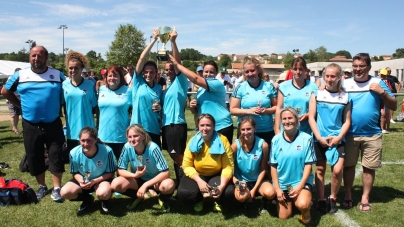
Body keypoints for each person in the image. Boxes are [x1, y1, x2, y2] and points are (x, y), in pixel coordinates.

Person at [1, 46, 65, 201]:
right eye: (33, 55)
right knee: (34, 155)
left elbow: (68, 90)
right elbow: (5, 91)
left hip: (53, 123)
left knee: (56, 154)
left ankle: (57, 188)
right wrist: (19, 106)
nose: (36, 58)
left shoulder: (57, 74)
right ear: (30, 57)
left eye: (40, 56)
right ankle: (42, 186)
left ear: (46, 57)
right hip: (31, 125)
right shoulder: (20, 75)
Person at [342, 53, 396, 212]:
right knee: (349, 166)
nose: (358, 69)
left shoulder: (377, 82)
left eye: (361, 66)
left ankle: (365, 198)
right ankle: (348, 195)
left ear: (369, 67)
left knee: (368, 167)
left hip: (372, 134)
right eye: (355, 66)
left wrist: (382, 92)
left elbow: (393, 106)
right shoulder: (345, 84)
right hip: (349, 133)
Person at [308, 63, 352, 214]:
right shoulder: (316, 93)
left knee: (337, 170)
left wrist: (339, 137)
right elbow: (311, 118)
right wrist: (319, 137)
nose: (329, 79)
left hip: (338, 140)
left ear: (339, 77)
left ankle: (332, 198)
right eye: (327, 76)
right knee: (320, 169)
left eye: (333, 76)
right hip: (320, 139)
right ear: (323, 76)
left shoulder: (346, 96)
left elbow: (347, 121)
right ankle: (321, 199)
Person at [168, 57, 234, 144]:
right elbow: (196, 112)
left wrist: (177, 64)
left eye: (211, 72)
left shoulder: (217, 83)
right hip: (207, 128)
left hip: (222, 126)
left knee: (224, 156)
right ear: (203, 72)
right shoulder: (200, 90)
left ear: (216, 73)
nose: (208, 74)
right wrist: (192, 106)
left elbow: (195, 79)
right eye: (206, 71)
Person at [110, 124, 175, 212]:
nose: (132, 139)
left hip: (155, 181)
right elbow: (120, 170)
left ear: (143, 136)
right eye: (130, 137)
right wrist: (134, 175)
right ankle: (137, 196)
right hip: (138, 180)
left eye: (136, 136)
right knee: (115, 184)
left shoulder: (153, 148)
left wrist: (146, 185)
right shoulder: (127, 147)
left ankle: (162, 198)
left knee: (169, 184)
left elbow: (166, 172)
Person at [177, 114, 234, 212]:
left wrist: (222, 186)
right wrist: (199, 181)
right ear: (198, 126)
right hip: (197, 174)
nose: (205, 128)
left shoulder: (223, 140)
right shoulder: (192, 141)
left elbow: (228, 166)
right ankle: (199, 199)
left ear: (214, 126)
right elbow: (186, 165)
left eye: (208, 125)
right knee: (184, 194)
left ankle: (216, 199)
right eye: (202, 125)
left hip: (216, 174)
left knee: (228, 192)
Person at [271, 107, 316, 224]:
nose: (287, 121)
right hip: (283, 184)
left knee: (302, 204)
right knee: (284, 217)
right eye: (284, 119)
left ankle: (304, 205)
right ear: (281, 121)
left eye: (290, 118)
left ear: (296, 120)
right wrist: (277, 188)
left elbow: (308, 165)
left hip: (301, 182)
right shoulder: (275, 140)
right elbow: (273, 166)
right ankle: (292, 200)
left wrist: (300, 186)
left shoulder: (307, 138)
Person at [60, 127, 116, 213]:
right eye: (83, 140)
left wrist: (94, 181)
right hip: (85, 180)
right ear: (79, 140)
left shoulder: (107, 150)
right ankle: (87, 199)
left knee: (103, 193)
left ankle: (105, 201)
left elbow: (111, 172)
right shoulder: (73, 153)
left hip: (102, 179)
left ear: (96, 140)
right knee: (64, 192)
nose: (86, 144)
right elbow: (75, 172)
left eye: (89, 140)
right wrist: (81, 181)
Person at [160, 30, 188, 187]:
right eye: (167, 69)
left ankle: (187, 184)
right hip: (167, 126)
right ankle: (181, 184)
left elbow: (177, 63)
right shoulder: (168, 87)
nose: (168, 71)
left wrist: (173, 42)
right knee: (175, 157)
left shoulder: (180, 80)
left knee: (179, 158)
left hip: (176, 125)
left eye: (171, 69)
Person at [230, 57, 277, 146]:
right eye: (247, 72)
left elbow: (277, 107)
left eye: (252, 70)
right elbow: (232, 109)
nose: (250, 74)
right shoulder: (240, 87)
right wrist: (248, 111)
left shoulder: (269, 86)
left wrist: (266, 111)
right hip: (246, 131)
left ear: (258, 70)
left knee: (266, 159)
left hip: (266, 129)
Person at [232, 116, 275, 212]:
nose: (246, 132)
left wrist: (254, 189)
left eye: (249, 129)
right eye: (243, 129)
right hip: (241, 180)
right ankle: (243, 201)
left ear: (255, 128)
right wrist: (238, 182)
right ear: (239, 130)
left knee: (270, 193)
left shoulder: (263, 145)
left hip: (258, 180)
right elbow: (229, 169)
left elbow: (264, 168)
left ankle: (265, 201)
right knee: (240, 197)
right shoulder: (235, 146)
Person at [130, 28, 162, 148]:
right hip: (137, 129)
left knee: (153, 162)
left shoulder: (159, 88)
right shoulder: (138, 82)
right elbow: (141, 59)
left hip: (153, 129)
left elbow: (160, 109)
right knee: (138, 162)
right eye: (146, 72)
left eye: (151, 72)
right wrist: (154, 40)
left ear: (156, 73)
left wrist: (159, 108)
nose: (148, 74)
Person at [63, 50, 98, 156]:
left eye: (76, 68)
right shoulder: (64, 85)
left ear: (82, 69)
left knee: (90, 157)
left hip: (87, 128)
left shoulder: (89, 84)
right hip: (71, 130)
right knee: (74, 160)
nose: (73, 70)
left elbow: (95, 106)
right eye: (70, 68)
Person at [274, 57, 318, 135]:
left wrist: (308, 115)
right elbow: (279, 108)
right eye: (295, 69)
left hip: (305, 130)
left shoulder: (313, 87)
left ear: (305, 70)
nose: (298, 72)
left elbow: (317, 108)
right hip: (286, 130)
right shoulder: (283, 87)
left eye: (301, 69)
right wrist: (277, 129)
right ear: (291, 70)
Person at [98, 66, 132, 160]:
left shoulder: (128, 91)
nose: (112, 78)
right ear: (106, 77)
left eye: (116, 75)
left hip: (121, 136)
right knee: (104, 168)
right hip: (103, 136)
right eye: (110, 75)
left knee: (121, 168)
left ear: (121, 77)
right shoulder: (101, 89)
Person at [5, 68, 22, 134]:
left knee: (18, 114)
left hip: (19, 98)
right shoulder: (11, 78)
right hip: (11, 98)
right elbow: (6, 90)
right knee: (13, 114)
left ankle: (15, 128)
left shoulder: (22, 78)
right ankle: (14, 128)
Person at [379, 68, 394, 134]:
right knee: (382, 114)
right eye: (382, 74)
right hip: (379, 100)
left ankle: (385, 128)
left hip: (385, 99)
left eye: (384, 75)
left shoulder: (387, 81)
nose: (383, 76)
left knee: (385, 114)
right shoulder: (377, 80)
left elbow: (390, 89)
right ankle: (382, 128)